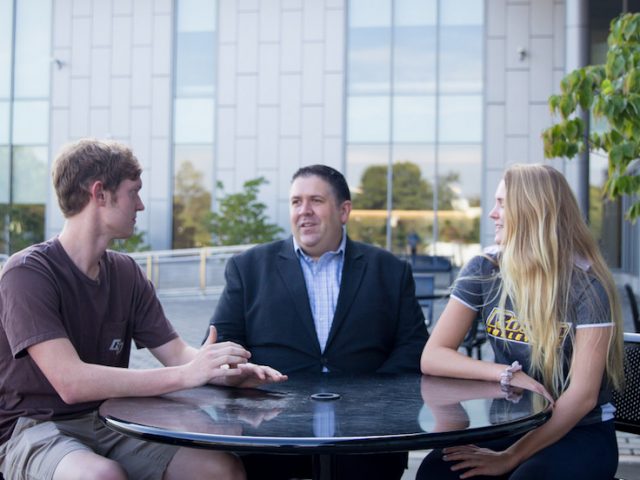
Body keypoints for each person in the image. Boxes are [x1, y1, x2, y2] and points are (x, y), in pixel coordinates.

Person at [0, 138, 286, 480]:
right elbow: (71, 382)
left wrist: (223, 371)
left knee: (220, 469)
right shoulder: (27, 272)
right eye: (134, 192)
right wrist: (185, 376)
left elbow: (177, 353)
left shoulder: (125, 272)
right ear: (100, 194)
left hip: (108, 418)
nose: (141, 206)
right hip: (35, 427)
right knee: (100, 476)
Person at [209, 164, 429, 480]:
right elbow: (223, 344)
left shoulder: (390, 270)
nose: (305, 211)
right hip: (271, 433)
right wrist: (246, 380)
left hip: (366, 437)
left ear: (344, 211)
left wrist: (372, 400)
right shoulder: (248, 268)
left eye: (316, 200)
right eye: (296, 202)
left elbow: (412, 346)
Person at [417, 163, 624, 480]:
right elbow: (433, 355)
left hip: (579, 429)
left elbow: (583, 396)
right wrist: (506, 375)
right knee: (438, 472)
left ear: (531, 212)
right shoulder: (485, 268)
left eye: (502, 204)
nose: (492, 214)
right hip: (512, 421)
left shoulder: (587, 287)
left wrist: (509, 457)